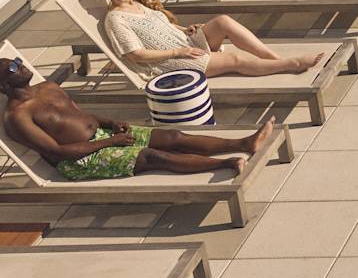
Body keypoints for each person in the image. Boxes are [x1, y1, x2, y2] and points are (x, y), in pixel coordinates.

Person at [1, 54, 275, 181]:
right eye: (12, 67)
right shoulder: (17, 117)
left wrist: (109, 124)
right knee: (152, 156)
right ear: (3, 85)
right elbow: (58, 152)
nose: (21, 65)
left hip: (105, 136)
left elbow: (78, 115)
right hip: (82, 159)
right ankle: (227, 163)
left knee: (172, 136)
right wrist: (110, 142)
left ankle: (243, 144)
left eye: (17, 60)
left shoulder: (47, 86)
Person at [97, 0, 323, 77]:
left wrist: (185, 29)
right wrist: (177, 53)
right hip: (170, 62)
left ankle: (273, 59)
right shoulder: (115, 19)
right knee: (234, 58)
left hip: (185, 43)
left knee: (223, 21)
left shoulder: (139, 4)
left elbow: (161, 27)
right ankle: (291, 65)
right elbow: (135, 55)